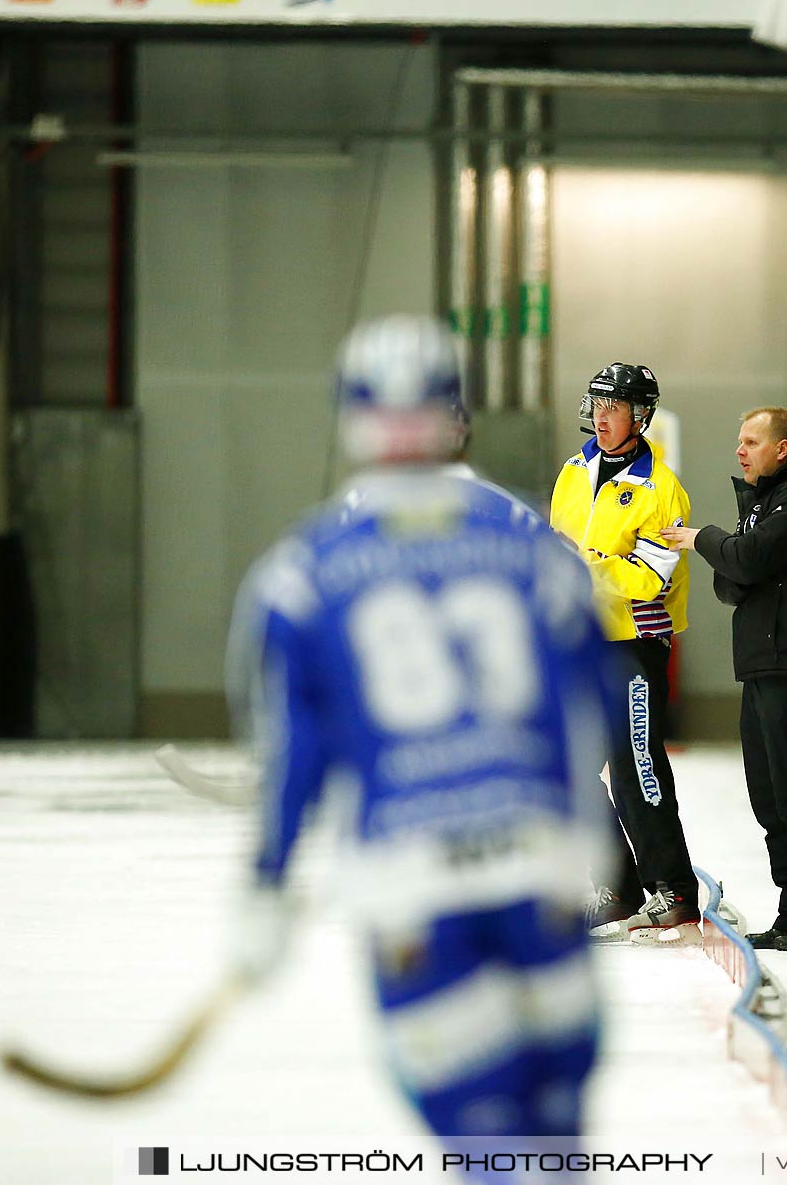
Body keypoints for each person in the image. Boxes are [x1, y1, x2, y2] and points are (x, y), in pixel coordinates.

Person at [226, 315, 612, 1148]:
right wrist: (585, 845)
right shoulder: (530, 548)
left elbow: (291, 755)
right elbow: (595, 706)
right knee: (556, 1134)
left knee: (484, 1138)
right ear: (454, 411)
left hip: (411, 885)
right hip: (537, 870)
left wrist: (266, 884)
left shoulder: (303, 572)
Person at [661, 407, 787, 952]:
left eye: (750, 441)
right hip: (764, 663)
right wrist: (739, 557)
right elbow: (734, 581)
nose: (739, 451)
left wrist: (705, 539)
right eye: (739, 440)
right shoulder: (765, 502)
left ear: (782, 449)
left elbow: (744, 563)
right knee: (769, 797)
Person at [550, 362, 700, 943]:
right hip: (579, 642)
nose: (602, 417)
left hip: (633, 647)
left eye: (614, 408)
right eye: (597, 405)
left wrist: (581, 566)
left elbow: (648, 579)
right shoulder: (574, 469)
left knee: (638, 768)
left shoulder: (662, 489)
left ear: (641, 416)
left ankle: (674, 890)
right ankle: (617, 886)